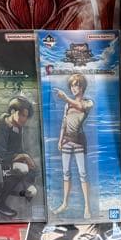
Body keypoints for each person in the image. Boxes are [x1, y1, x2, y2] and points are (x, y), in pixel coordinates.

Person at [52, 74, 94, 219]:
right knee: (66, 172)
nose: (73, 88)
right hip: (66, 141)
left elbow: (81, 106)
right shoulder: (67, 105)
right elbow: (64, 123)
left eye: (76, 85)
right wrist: (60, 140)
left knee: (83, 173)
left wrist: (65, 97)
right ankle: (64, 203)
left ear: (82, 87)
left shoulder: (88, 103)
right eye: (72, 85)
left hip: (79, 141)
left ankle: (87, 206)